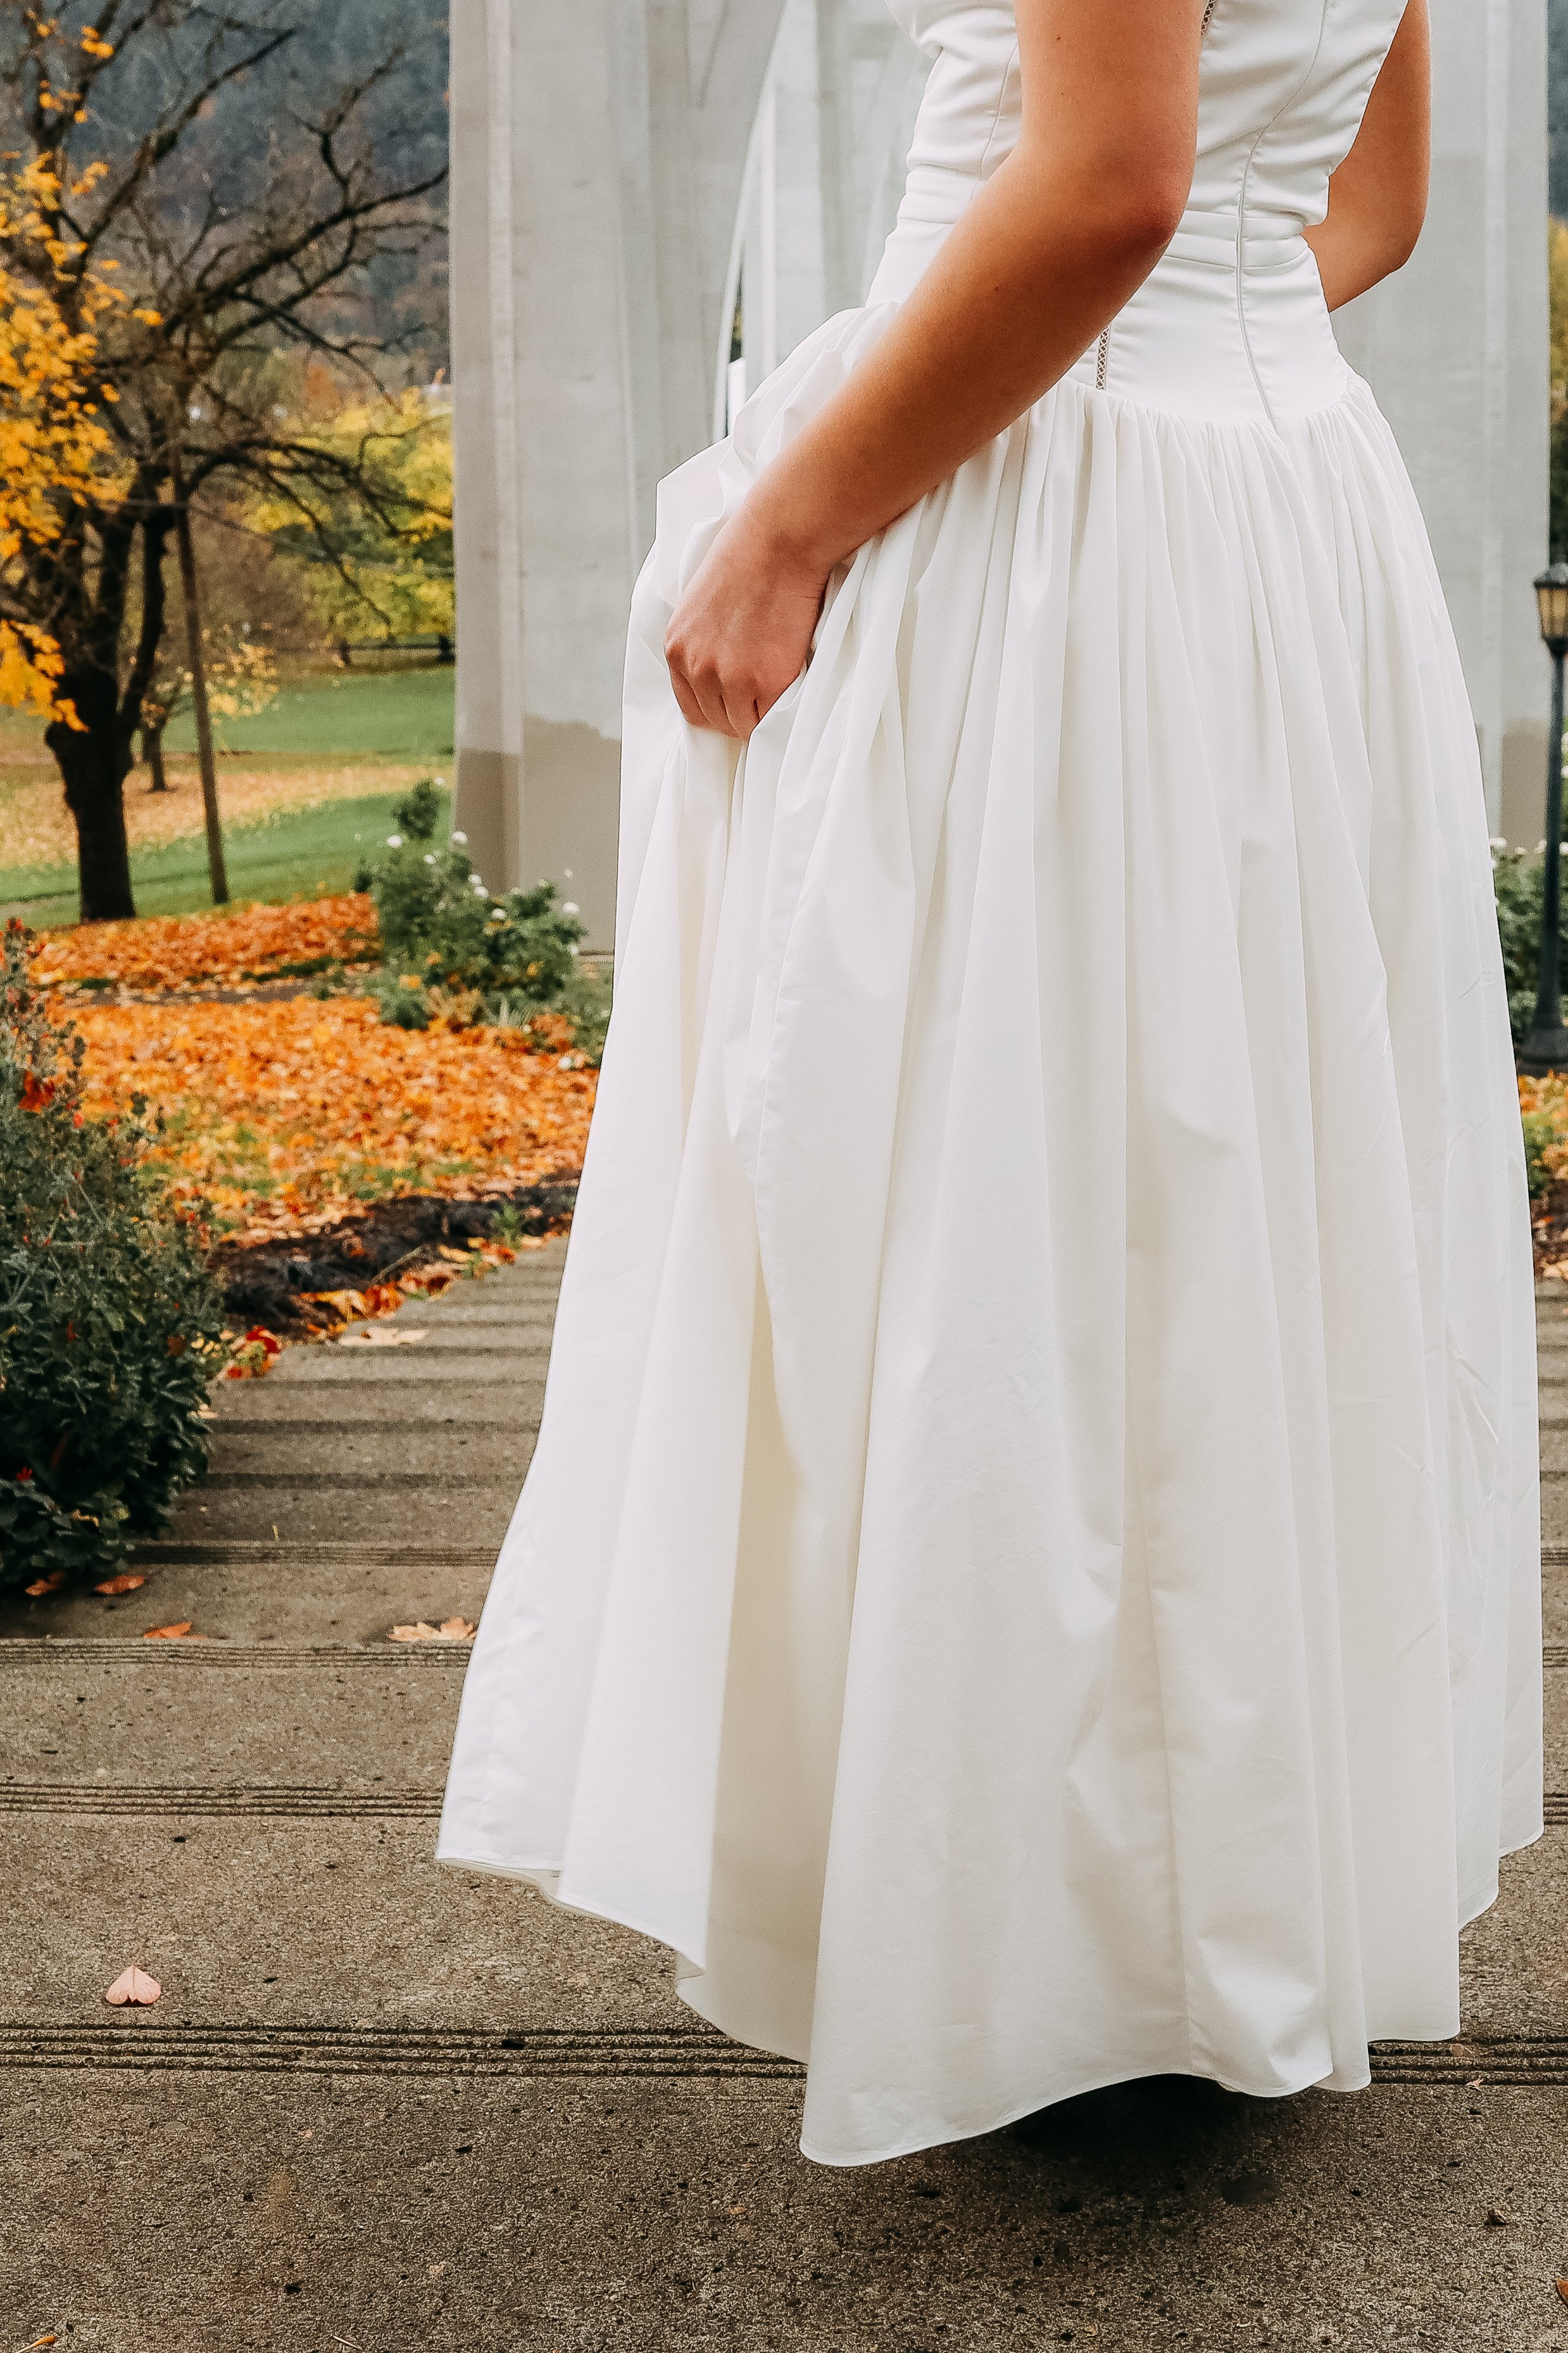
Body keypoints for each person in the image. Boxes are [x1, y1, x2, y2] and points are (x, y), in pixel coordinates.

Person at [440, 0, 1541, 2169]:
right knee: (1210, 1206)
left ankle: (1061, 1945)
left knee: (991, 1209)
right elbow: (1371, 207)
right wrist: (1212, 358)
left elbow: (1107, 186)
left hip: (1063, 538)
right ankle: (1190, 1920)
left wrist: (798, 520)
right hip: (1269, 510)